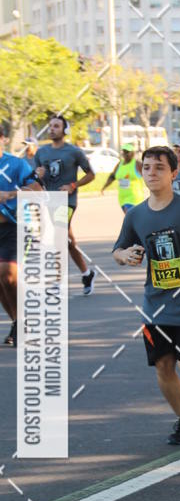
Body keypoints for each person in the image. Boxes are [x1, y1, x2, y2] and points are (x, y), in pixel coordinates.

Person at [112, 145, 180, 444]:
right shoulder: (135, 215)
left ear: (174, 173)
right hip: (155, 305)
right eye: (147, 167)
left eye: (159, 167)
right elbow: (118, 250)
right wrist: (125, 255)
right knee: (163, 365)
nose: (151, 173)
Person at [33, 114, 97, 295]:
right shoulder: (41, 152)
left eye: (56, 126)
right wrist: (38, 175)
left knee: (58, 237)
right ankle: (87, 273)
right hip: (50, 201)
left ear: (65, 130)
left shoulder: (74, 152)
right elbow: (36, 180)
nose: (52, 129)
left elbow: (91, 174)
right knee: (68, 241)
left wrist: (73, 185)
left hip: (67, 202)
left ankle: (57, 282)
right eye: (50, 126)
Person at [0, 123, 43, 346]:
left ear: (3, 139)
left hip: (13, 226)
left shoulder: (16, 164)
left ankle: (22, 321)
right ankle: (18, 321)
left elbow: (37, 188)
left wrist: (10, 193)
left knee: (8, 274)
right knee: (1, 281)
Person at [101, 144, 146, 213]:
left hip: (134, 197)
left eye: (127, 152)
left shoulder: (137, 164)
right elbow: (112, 177)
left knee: (130, 216)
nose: (125, 154)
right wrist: (104, 187)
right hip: (122, 197)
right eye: (124, 152)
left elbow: (148, 175)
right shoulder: (120, 164)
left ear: (133, 153)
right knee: (130, 217)